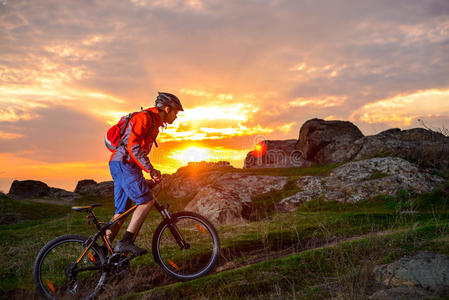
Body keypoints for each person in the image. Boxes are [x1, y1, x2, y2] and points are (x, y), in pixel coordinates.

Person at [106, 92, 183, 255]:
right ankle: (125, 242)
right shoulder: (145, 118)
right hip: (125, 164)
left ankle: (100, 251)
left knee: (121, 212)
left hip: (120, 164)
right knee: (146, 202)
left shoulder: (154, 122)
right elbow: (133, 147)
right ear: (167, 109)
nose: (176, 116)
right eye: (175, 112)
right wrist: (151, 170)